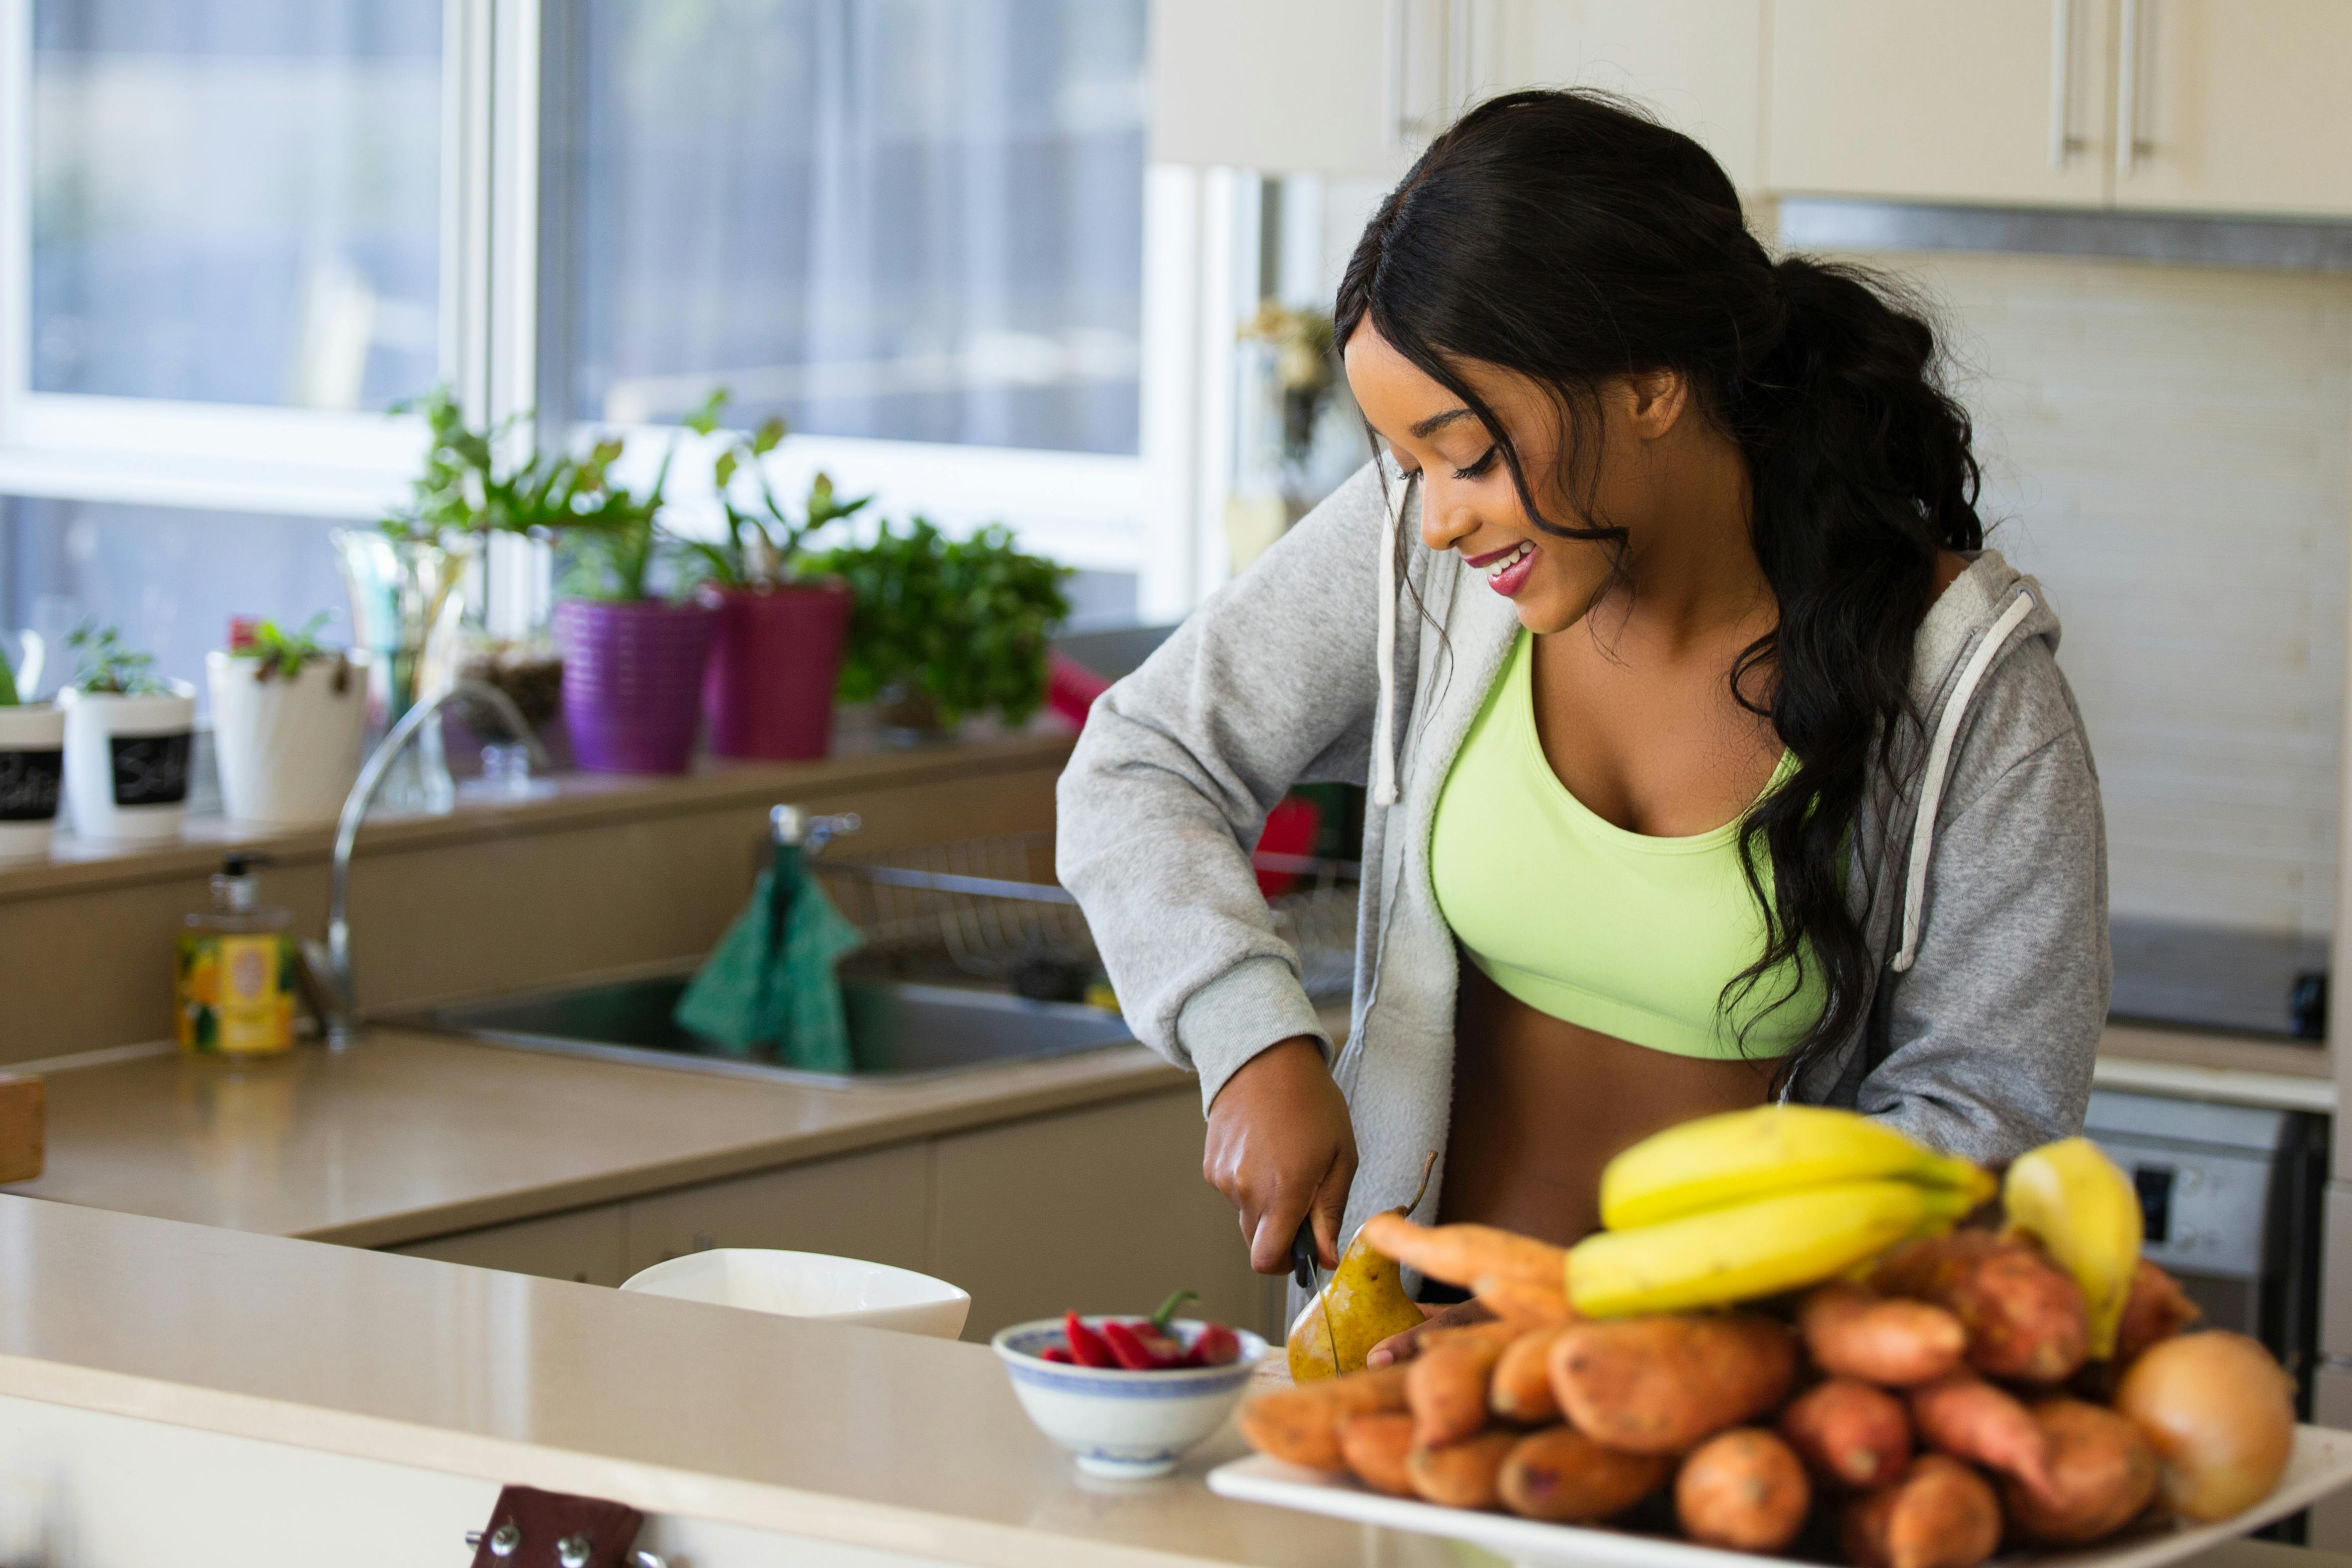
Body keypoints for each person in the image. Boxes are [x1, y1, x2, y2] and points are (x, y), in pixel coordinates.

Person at [1056, 91, 2108, 1323]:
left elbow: (1989, 1114)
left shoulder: (1966, 689)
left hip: (1724, 1429)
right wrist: (1250, 1037)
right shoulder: (1427, 555)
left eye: (1471, 454)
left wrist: (1581, 1350)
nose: (1437, 516)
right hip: (1391, 1372)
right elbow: (1142, 758)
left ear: (1652, 387)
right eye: (1407, 465)